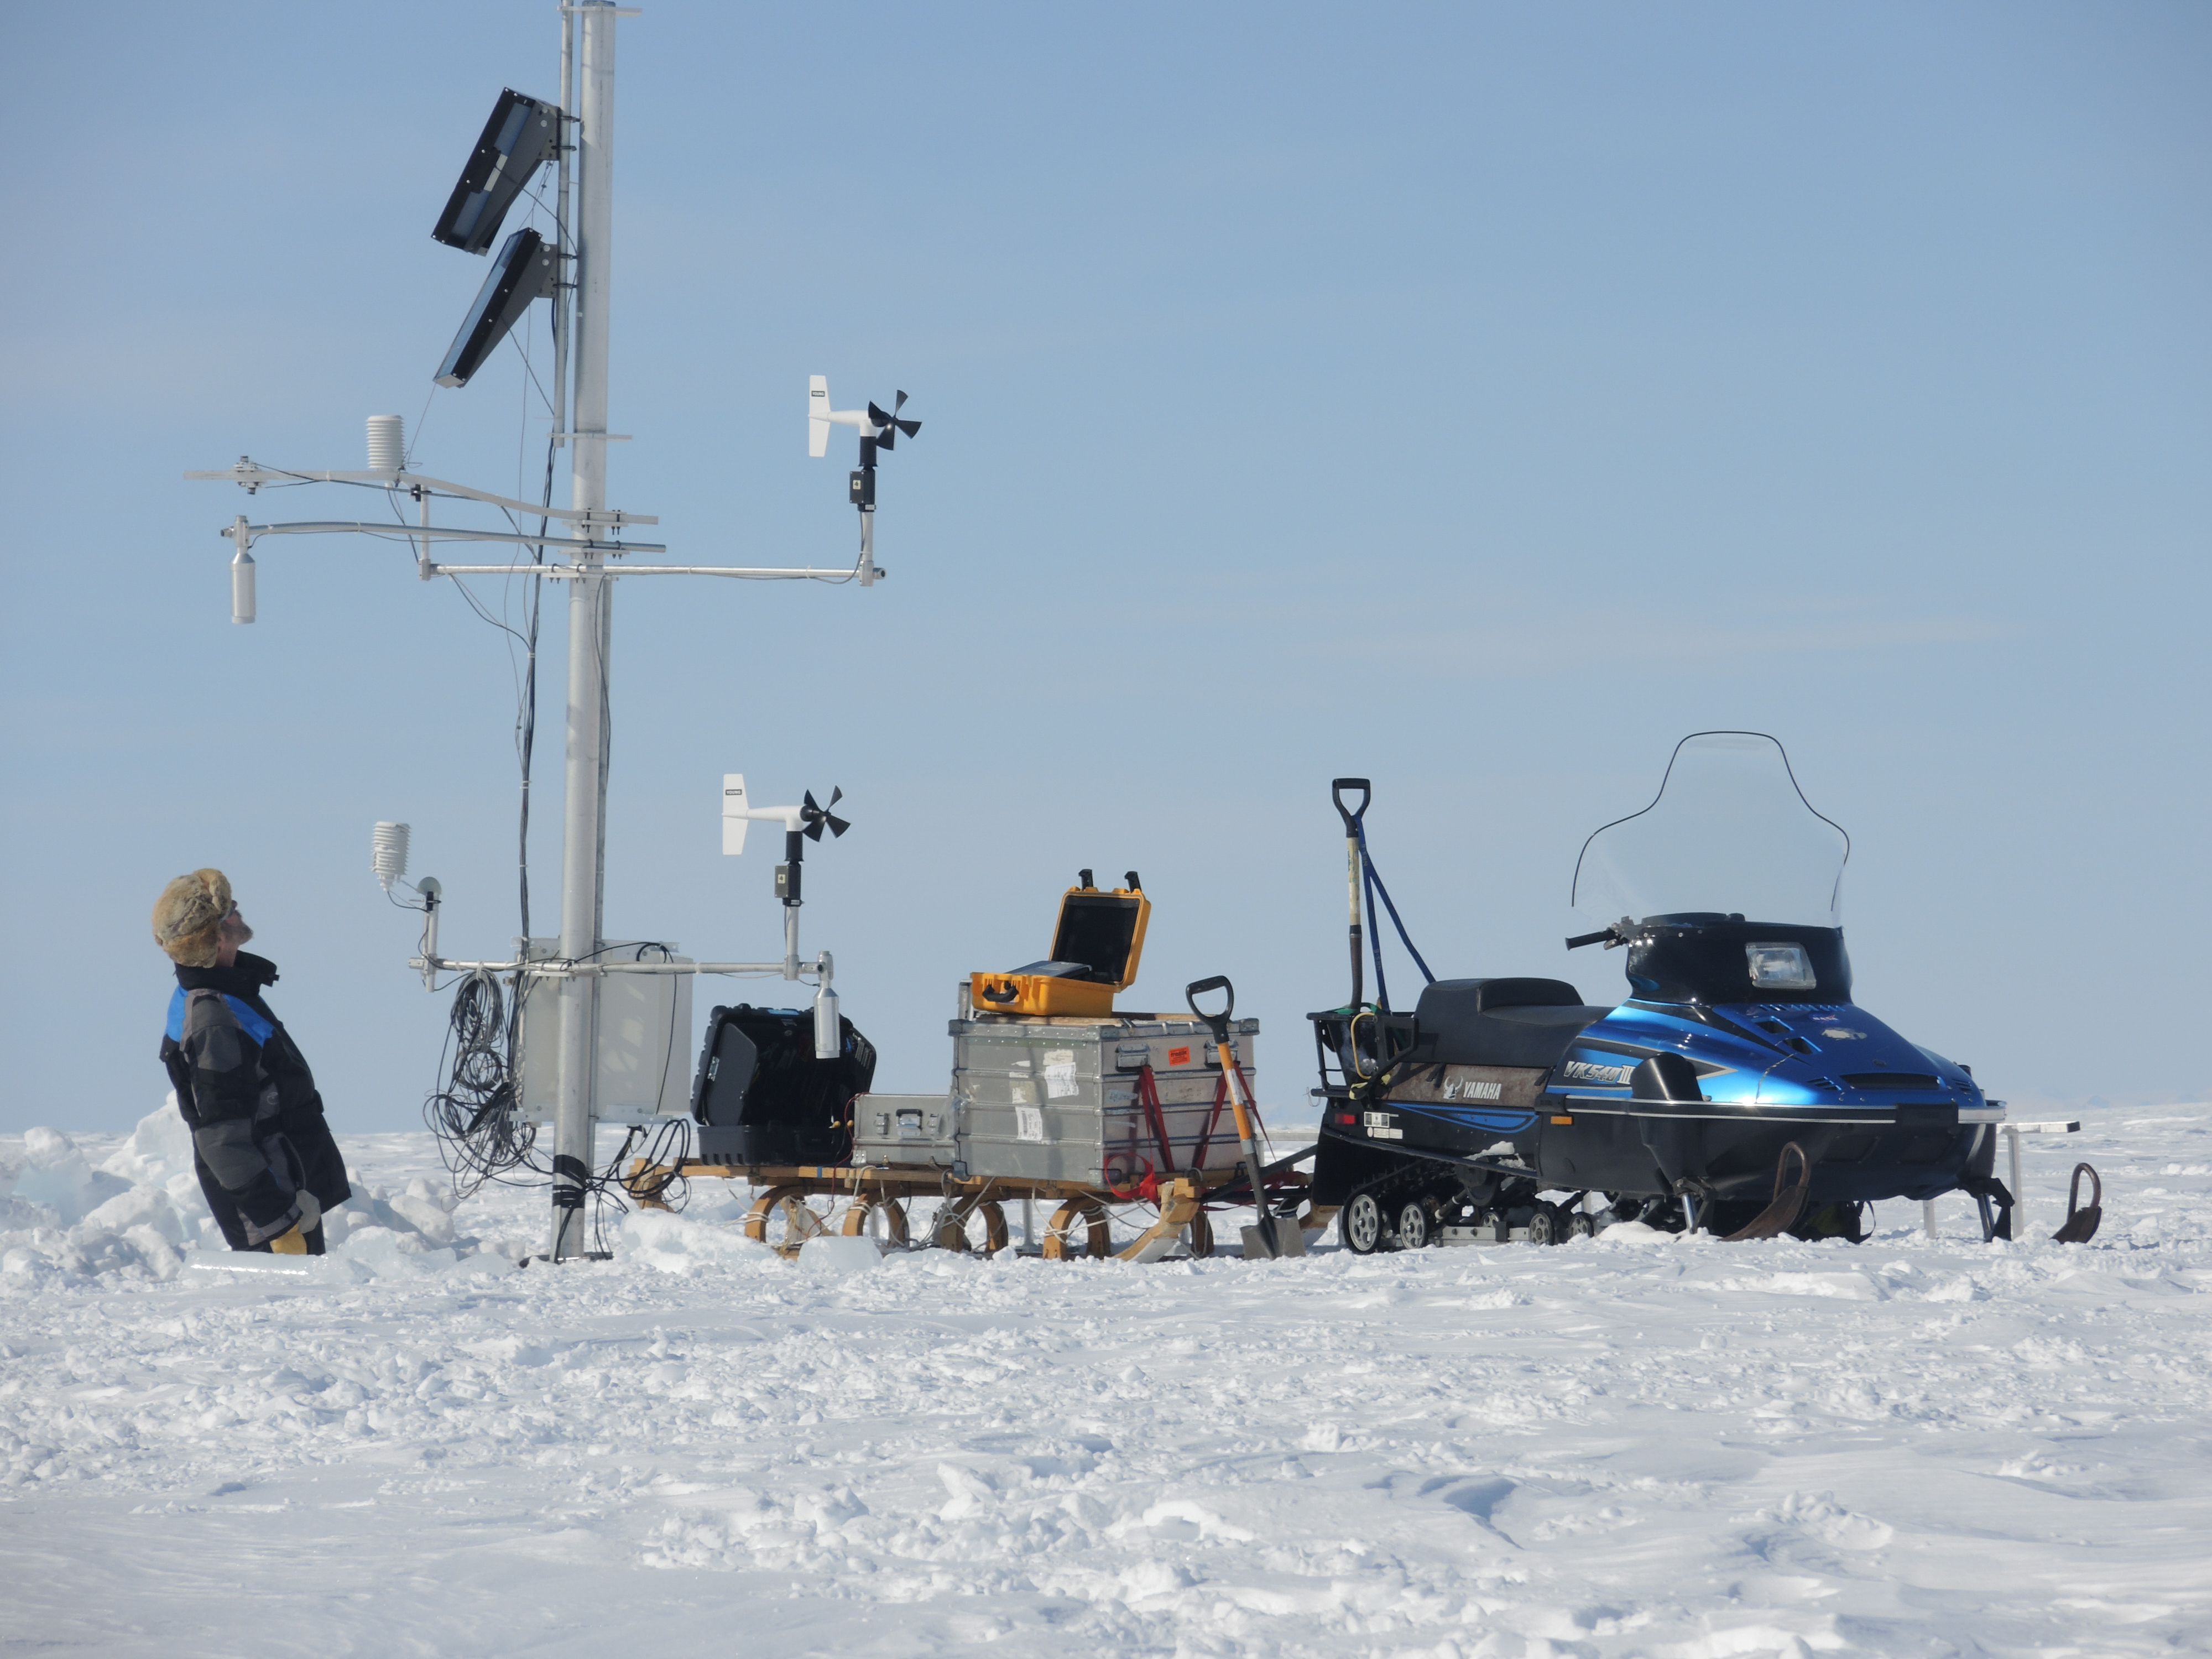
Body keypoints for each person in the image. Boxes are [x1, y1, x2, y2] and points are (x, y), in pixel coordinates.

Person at [152, 869, 350, 1254]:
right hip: (271, 1210)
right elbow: (221, 1136)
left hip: (288, 1191)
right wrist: (280, 1223)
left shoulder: (228, 992)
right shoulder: (214, 1018)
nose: (237, 908)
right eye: (227, 910)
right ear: (215, 939)